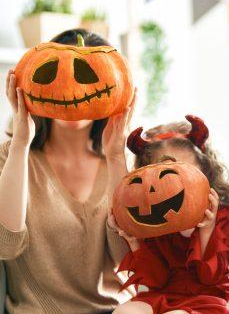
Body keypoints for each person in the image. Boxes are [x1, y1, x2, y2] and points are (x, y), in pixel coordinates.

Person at [0, 29, 135, 313]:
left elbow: (129, 261)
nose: (73, 89)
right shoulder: (10, 156)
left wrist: (115, 157)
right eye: (54, 73)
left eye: (87, 76)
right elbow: (5, 245)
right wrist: (21, 142)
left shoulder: (123, 163)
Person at [112, 115, 229, 314]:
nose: (177, 183)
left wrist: (207, 228)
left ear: (204, 170)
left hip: (205, 301)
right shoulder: (156, 221)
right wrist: (134, 241)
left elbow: (210, 278)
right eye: (164, 175)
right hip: (161, 296)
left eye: (183, 171)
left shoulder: (227, 217)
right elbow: (157, 280)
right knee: (125, 311)